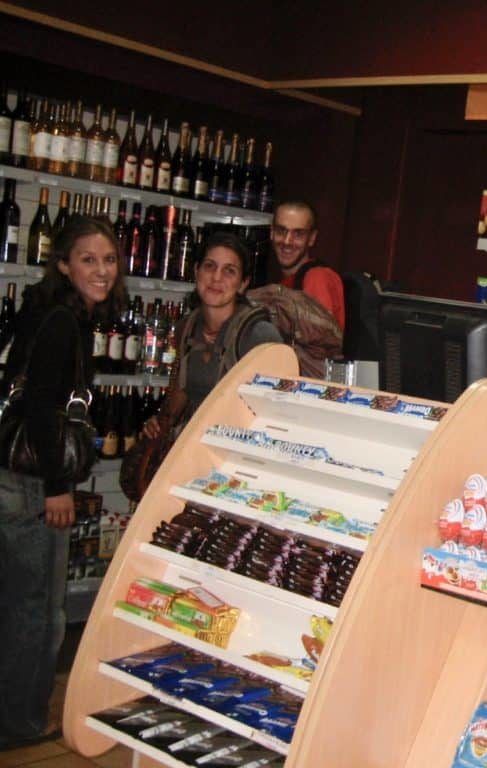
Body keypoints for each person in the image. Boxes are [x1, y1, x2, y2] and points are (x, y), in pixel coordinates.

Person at [0, 215, 128, 749]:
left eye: (108, 260)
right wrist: (57, 486)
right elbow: (41, 410)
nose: (101, 271)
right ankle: (22, 725)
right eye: (88, 260)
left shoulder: (43, 310)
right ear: (63, 265)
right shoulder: (61, 321)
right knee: (40, 610)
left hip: (12, 477)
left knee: (15, 603)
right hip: (33, 483)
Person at [143, 233, 282, 438]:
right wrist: (161, 421)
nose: (216, 278)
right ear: (196, 271)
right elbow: (183, 389)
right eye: (209, 266)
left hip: (235, 452)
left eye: (229, 271)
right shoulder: (187, 327)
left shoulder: (259, 335)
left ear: (243, 283)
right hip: (193, 446)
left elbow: (274, 412)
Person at [271, 199, 346, 333]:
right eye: (281, 231)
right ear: (271, 232)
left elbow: (317, 340)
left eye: (298, 234)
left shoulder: (317, 277)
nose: (287, 241)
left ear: (312, 238)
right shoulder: (287, 282)